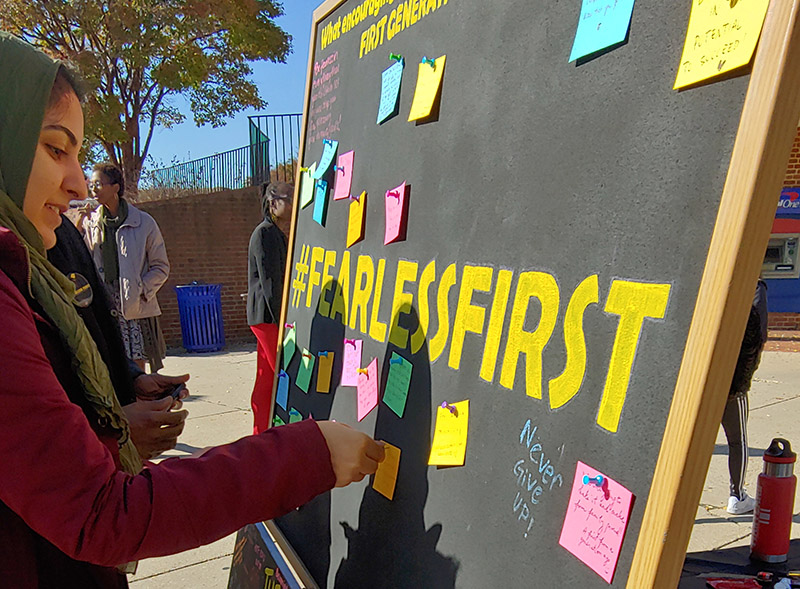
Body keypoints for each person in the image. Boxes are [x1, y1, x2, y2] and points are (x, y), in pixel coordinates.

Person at [0, 33, 384, 587]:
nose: (79, 181)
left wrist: (117, 412)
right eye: (56, 148)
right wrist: (306, 456)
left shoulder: (26, 262)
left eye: (79, 156)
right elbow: (103, 513)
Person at [49, 215, 190, 460]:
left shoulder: (63, 231)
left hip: (134, 308)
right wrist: (112, 435)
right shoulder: (17, 259)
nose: (80, 191)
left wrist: (130, 381)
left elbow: (91, 330)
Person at [83, 162, 169, 372]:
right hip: (105, 300)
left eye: (99, 184)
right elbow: (83, 260)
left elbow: (161, 266)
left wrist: (142, 289)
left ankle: (142, 399)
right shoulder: (91, 222)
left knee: (136, 356)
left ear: (115, 187)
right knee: (110, 357)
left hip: (133, 303)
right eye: (92, 184)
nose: (94, 189)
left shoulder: (143, 222)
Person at [247, 181, 293, 434]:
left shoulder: (275, 233)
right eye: (288, 199)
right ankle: (277, 432)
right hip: (267, 317)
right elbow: (271, 283)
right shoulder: (265, 233)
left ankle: (261, 431)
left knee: (266, 378)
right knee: (281, 374)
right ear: (272, 202)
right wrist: (283, 322)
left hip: (263, 317)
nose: (292, 204)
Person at [723, 278, 768, 515]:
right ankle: (737, 495)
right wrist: (741, 383)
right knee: (737, 440)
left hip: (703, 381)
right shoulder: (754, 286)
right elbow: (757, 336)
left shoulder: (711, 280)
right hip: (732, 382)